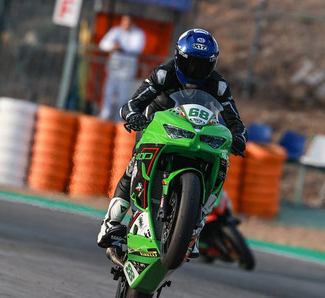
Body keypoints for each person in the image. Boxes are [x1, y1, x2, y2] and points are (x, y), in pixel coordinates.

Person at [97, 28, 248, 254]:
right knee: (134, 165)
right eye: (189, 64)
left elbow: (234, 120)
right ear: (178, 57)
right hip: (158, 129)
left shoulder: (218, 85)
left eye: (202, 66)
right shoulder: (163, 74)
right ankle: (111, 222)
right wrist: (134, 116)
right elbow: (132, 103)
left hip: (198, 134)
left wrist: (239, 137)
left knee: (221, 164)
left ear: (213, 64)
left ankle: (195, 226)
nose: (194, 71)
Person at [98, 15, 146, 121]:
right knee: (109, 92)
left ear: (132, 23)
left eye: (128, 23)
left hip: (127, 68)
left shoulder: (138, 33)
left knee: (123, 95)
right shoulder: (116, 31)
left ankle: (118, 117)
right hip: (114, 67)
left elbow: (137, 48)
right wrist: (113, 46)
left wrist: (122, 48)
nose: (125, 25)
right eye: (124, 22)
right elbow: (103, 44)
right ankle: (105, 115)